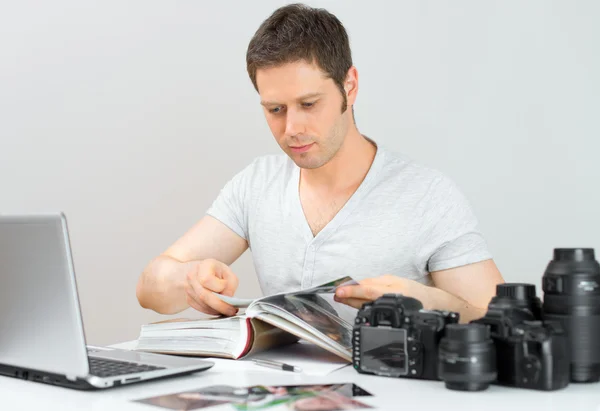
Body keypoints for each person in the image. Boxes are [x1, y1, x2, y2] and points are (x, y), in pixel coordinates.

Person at [136, 3, 504, 324]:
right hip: (286, 396)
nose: (292, 129)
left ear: (350, 86)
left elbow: (495, 315)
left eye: (309, 104)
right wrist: (188, 279)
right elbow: (150, 288)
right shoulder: (256, 185)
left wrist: (417, 300)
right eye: (275, 110)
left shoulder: (426, 195)